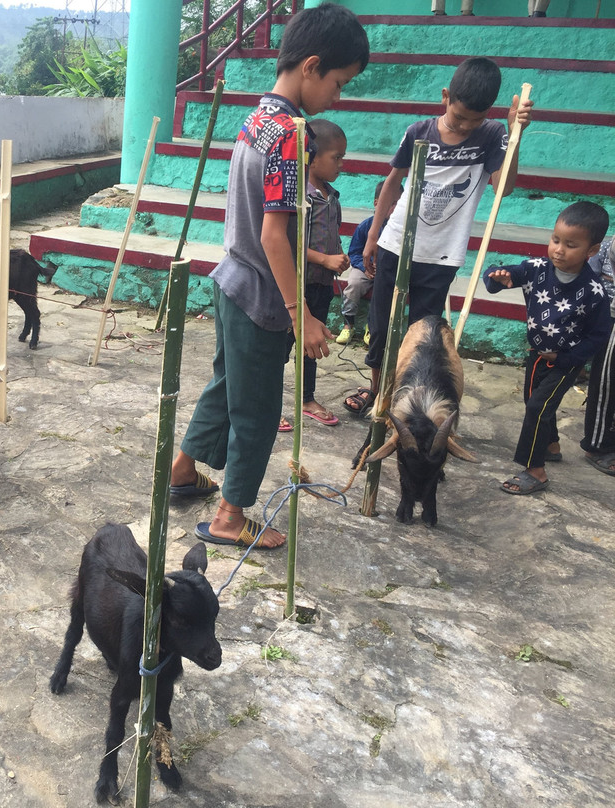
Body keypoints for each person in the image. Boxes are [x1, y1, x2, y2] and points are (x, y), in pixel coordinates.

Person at [167, 3, 369, 548]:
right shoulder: (292, 134)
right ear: (311, 65)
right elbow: (275, 237)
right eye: (338, 82)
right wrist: (302, 315)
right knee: (256, 408)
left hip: (231, 278)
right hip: (260, 292)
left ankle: (182, 471)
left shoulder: (257, 118)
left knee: (225, 386)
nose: (338, 96)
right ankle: (230, 519)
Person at [343, 56, 534, 416]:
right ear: (445, 96)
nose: (465, 126)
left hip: (442, 254)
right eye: (459, 116)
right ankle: (377, 391)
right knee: (382, 328)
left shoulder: (492, 135)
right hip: (396, 242)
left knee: (424, 336)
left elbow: (502, 188)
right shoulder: (419, 131)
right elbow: (391, 184)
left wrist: (513, 133)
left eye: (475, 120)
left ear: (488, 113)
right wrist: (372, 238)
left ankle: (408, 398)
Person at [483, 201, 613, 495]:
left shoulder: (594, 292)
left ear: (591, 251)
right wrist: (497, 277)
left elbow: (599, 335)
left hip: (566, 361)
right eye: (555, 240)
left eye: (571, 245)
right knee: (535, 401)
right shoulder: (536, 269)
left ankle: (535, 470)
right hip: (536, 354)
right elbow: (504, 274)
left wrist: (569, 357)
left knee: (539, 405)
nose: (559, 250)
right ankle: (551, 445)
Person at [280, 117, 349, 431]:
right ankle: (268, 404)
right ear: (311, 157)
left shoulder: (330, 195)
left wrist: (338, 259)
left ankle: (306, 399)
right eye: (336, 158)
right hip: (298, 285)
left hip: (322, 284)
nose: (340, 165)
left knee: (312, 344)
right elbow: (291, 243)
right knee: (281, 346)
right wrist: (325, 259)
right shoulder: (301, 198)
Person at [337, 179, 395, 347]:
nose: (393, 208)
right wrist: (365, 266)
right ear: (376, 202)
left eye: (397, 204)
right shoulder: (365, 227)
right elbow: (354, 252)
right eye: (390, 203)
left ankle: (373, 326)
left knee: (384, 289)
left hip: (386, 271)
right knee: (354, 283)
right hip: (364, 268)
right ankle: (348, 323)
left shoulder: (399, 230)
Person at [580, 233, 615, 476]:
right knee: (607, 383)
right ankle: (598, 444)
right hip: (611, 318)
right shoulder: (608, 246)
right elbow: (589, 280)